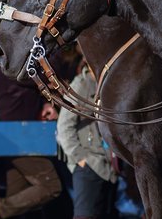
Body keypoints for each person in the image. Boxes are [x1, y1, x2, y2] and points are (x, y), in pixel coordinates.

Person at [0, 70, 62, 218]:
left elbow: (30, 90)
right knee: (52, 186)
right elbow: (41, 81)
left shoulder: (13, 69)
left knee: (17, 196)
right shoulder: (11, 67)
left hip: (14, 138)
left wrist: (44, 104)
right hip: (19, 139)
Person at [57, 64, 117, 219]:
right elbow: (63, 128)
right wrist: (81, 159)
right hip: (89, 165)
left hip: (109, 167)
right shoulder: (80, 84)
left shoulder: (108, 82)